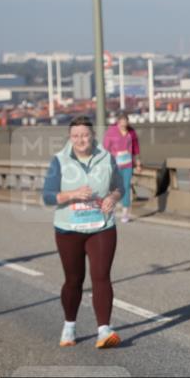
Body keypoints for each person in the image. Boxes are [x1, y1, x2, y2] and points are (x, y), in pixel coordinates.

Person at [43, 115, 124, 349]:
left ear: (93, 136)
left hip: (101, 227)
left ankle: (103, 330)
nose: (81, 140)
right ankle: (69, 326)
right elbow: (48, 196)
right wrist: (73, 194)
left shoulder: (106, 158)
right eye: (76, 136)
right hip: (69, 229)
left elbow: (120, 187)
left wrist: (112, 197)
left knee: (101, 276)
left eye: (85, 135)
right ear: (70, 137)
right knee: (74, 279)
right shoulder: (59, 161)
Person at [102, 111, 141, 223]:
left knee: (126, 186)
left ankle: (125, 213)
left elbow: (136, 147)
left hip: (128, 164)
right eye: (122, 122)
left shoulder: (131, 132)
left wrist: (138, 161)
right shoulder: (111, 131)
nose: (124, 124)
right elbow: (105, 148)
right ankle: (111, 206)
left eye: (126, 121)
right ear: (118, 122)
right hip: (115, 164)